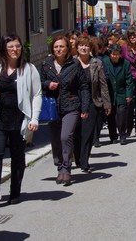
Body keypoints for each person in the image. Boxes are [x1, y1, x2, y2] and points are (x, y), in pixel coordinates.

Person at [0, 33, 42, 208]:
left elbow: (37, 94)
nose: (15, 50)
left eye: (18, 46)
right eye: (11, 46)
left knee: (18, 157)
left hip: (20, 121)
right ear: (4, 48)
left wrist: (34, 118)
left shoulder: (29, 69)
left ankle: (15, 191)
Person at [40, 36, 90, 186]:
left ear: (68, 48)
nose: (59, 49)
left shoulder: (74, 64)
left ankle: (66, 169)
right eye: (56, 47)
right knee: (55, 139)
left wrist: (85, 107)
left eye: (62, 46)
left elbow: (84, 87)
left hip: (71, 105)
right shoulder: (46, 64)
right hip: (52, 108)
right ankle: (60, 165)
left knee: (65, 136)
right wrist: (48, 84)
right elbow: (39, 83)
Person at [74, 35, 111, 173]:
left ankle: (84, 161)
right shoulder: (72, 63)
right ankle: (77, 157)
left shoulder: (97, 63)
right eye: (81, 45)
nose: (84, 48)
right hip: (75, 102)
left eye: (86, 46)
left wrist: (107, 104)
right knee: (77, 133)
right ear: (77, 48)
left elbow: (103, 85)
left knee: (88, 133)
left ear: (90, 48)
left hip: (92, 101)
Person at [103, 44, 134, 145]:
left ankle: (122, 135)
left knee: (121, 115)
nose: (115, 56)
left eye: (117, 54)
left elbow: (129, 80)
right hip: (109, 94)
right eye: (113, 54)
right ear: (110, 54)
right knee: (110, 116)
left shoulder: (125, 64)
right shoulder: (105, 62)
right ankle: (113, 136)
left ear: (120, 55)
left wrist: (129, 95)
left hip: (121, 93)